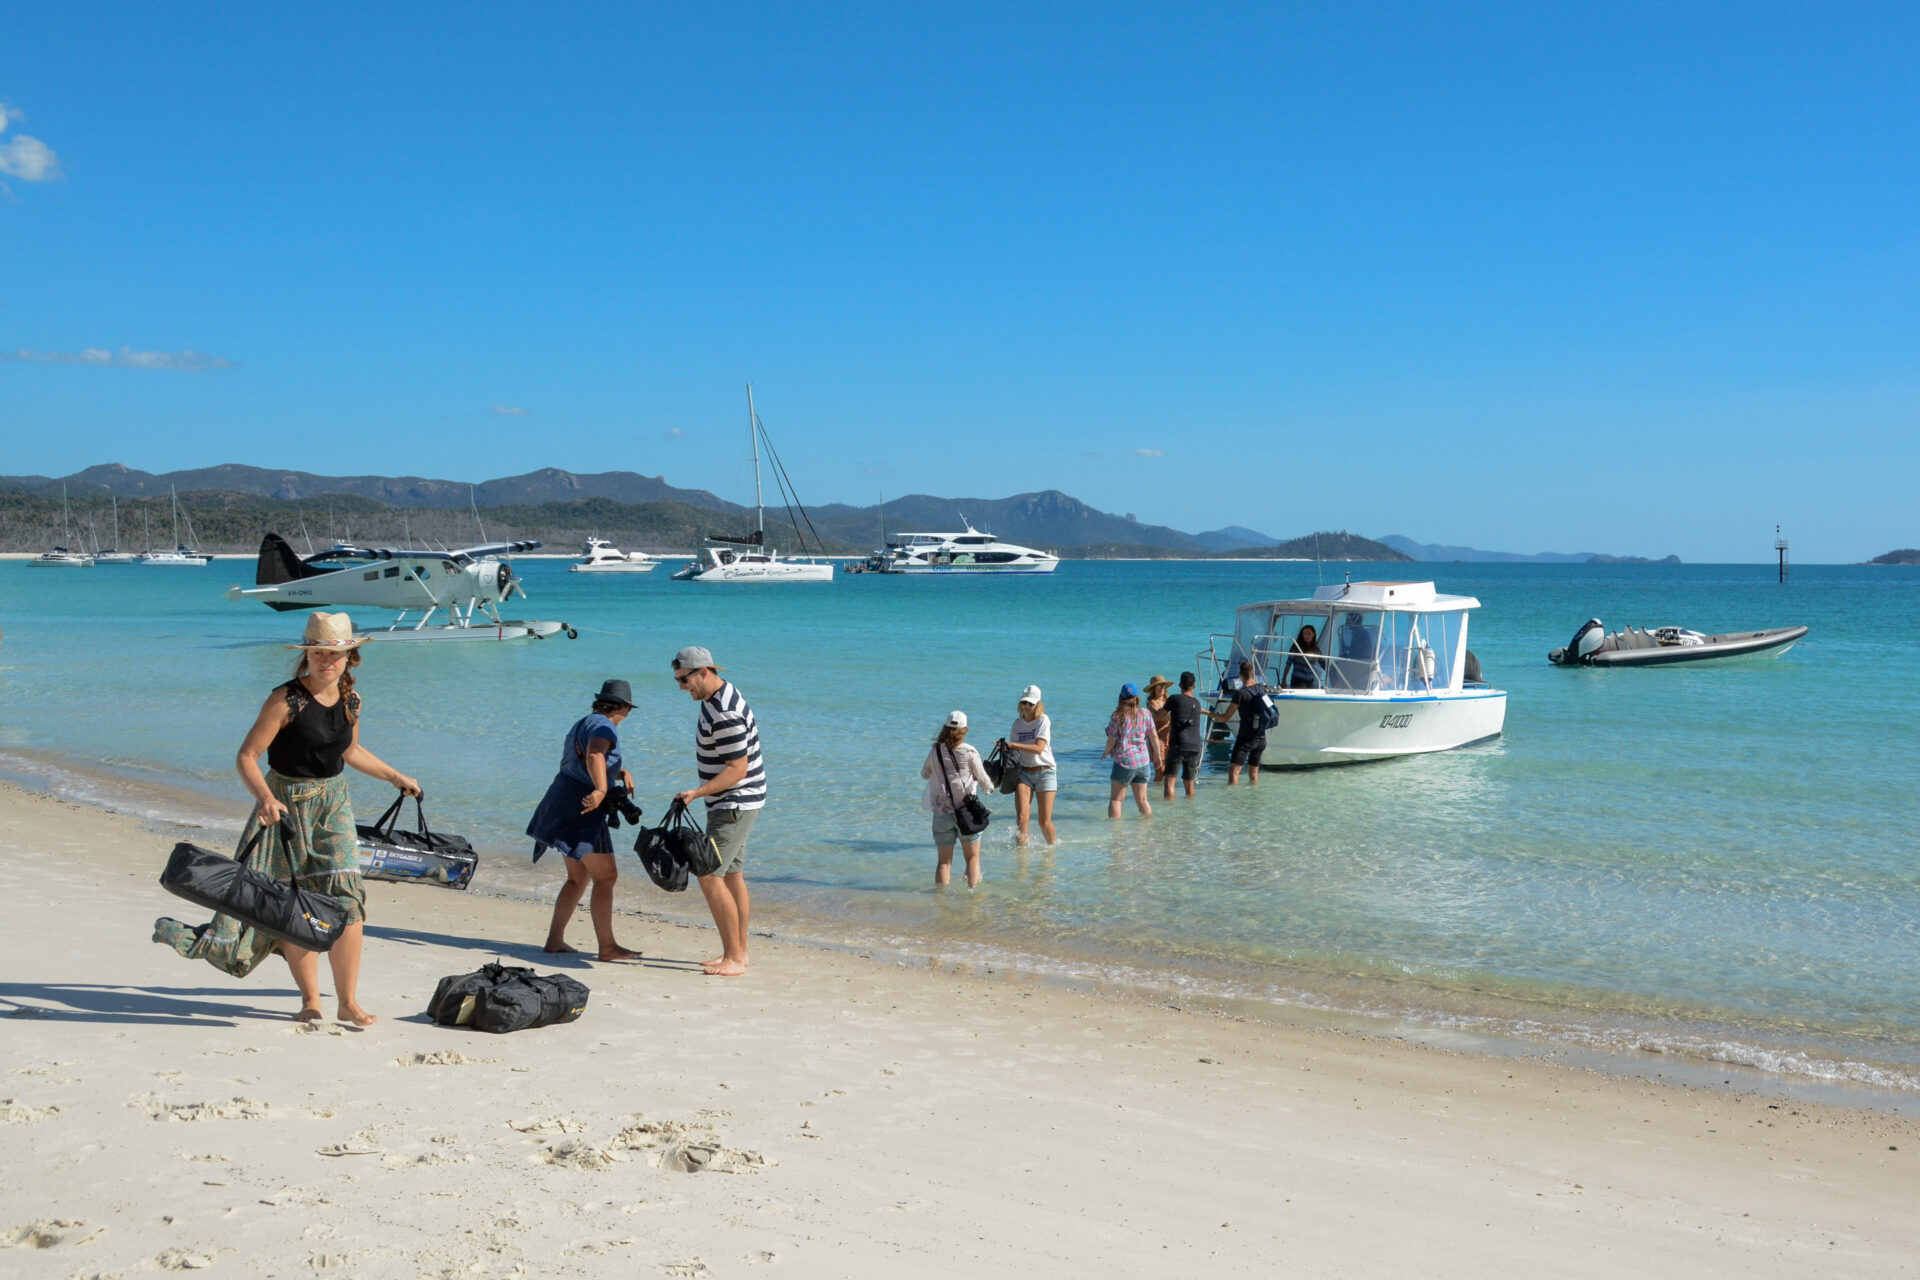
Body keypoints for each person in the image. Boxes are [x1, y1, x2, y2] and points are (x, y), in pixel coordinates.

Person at [154, 612, 419, 1026]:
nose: (325, 661)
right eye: (317, 653)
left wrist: (396, 777)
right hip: (285, 806)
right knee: (294, 904)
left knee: (349, 902)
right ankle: (310, 999)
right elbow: (246, 756)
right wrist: (264, 798)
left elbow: (349, 751)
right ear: (307, 655)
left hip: (333, 806)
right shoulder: (286, 699)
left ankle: (347, 1001)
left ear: (350, 656)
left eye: (334, 654)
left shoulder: (352, 700)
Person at [527, 679, 642, 961]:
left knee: (577, 878)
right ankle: (607, 947)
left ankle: (555, 940)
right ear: (625, 708)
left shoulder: (585, 722)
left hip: (560, 799)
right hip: (582, 806)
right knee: (606, 877)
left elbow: (584, 761)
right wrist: (602, 790)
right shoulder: (605, 726)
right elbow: (593, 755)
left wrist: (618, 772)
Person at [671, 646, 765, 977]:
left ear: (704, 672)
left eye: (685, 680)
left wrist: (697, 792)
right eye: (678, 681)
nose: (682, 687)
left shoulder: (723, 711)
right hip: (738, 801)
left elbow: (736, 769)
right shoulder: (719, 698)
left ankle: (735, 958)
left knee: (708, 874)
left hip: (734, 802)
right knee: (731, 875)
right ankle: (738, 952)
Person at [921, 711, 992, 888]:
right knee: (972, 858)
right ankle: (972, 898)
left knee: (944, 863)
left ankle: (941, 902)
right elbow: (985, 782)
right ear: (964, 730)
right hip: (967, 812)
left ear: (945, 728)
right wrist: (988, 788)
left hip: (941, 813)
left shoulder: (935, 751)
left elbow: (925, 774)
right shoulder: (969, 752)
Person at [1207, 659, 1274, 786]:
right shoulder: (1261, 690)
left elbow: (1225, 718)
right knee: (1254, 774)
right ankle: (1252, 800)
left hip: (1246, 738)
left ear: (1240, 675)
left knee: (1234, 771)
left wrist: (1207, 713)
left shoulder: (1240, 694)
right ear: (1253, 673)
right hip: (1261, 738)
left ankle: (1234, 801)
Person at [1004, 685, 1056, 845]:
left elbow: (1039, 748)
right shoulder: (1017, 723)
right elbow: (1013, 752)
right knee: (1021, 818)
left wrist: (1013, 745)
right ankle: (1021, 860)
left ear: (1038, 704)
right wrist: (1005, 748)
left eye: (1030, 703)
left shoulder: (1043, 720)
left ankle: (1052, 851)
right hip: (1023, 773)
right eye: (1024, 702)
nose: (1026, 706)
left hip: (1045, 772)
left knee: (1044, 822)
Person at [1102, 683, 1161, 818]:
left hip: (1124, 762)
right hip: (1143, 762)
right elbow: (1154, 736)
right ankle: (1148, 830)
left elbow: (1112, 739)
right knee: (1143, 801)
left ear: (1121, 698)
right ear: (1137, 697)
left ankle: (1116, 834)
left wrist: (1106, 752)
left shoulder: (1117, 716)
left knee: (1116, 800)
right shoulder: (1146, 713)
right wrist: (1157, 755)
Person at [1160, 671, 1206, 800]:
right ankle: (1189, 813)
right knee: (1189, 784)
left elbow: (1159, 716)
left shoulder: (1174, 698)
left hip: (1178, 745)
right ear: (1194, 686)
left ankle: (1169, 813)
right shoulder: (1197, 704)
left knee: (1170, 781)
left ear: (1180, 685)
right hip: (1195, 746)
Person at [1144, 674, 1173, 788]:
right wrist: (1175, 715)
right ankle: (1156, 791)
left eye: (1164, 686)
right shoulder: (1151, 703)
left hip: (1169, 737)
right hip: (1157, 738)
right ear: (1153, 689)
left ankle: (1163, 792)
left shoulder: (1168, 701)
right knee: (1160, 770)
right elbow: (1158, 717)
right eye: (1159, 687)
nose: (1162, 689)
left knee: (1168, 771)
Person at [1282, 624, 1324, 690]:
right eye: (1305, 633)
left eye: (1309, 633)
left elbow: (1323, 663)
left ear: (1313, 634)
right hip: (1297, 681)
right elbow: (1288, 664)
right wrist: (1284, 680)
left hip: (1310, 682)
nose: (1306, 636)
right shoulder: (1296, 647)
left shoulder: (1316, 650)